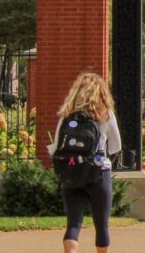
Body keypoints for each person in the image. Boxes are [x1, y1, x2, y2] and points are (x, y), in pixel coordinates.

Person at [49, 72, 121, 253]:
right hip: (98, 173)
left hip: (71, 172)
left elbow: (56, 145)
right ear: (102, 92)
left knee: (73, 223)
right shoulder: (106, 114)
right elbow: (116, 145)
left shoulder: (67, 116)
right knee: (101, 224)